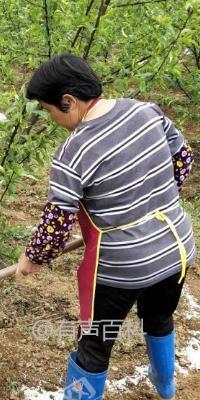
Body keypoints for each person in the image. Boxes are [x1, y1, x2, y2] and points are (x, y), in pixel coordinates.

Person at [16, 53, 195, 399]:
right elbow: (182, 161)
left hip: (123, 267)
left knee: (94, 345)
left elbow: (58, 222)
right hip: (177, 248)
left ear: (68, 102)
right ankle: (166, 388)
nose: (51, 119)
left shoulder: (74, 151)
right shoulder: (146, 111)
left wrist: (32, 258)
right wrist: (147, 203)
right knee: (157, 319)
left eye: (49, 110)